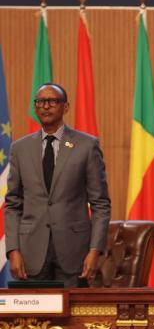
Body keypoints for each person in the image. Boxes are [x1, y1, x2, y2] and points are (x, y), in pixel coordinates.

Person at [5, 83, 111, 288]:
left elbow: (101, 204)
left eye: (52, 101)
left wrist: (95, 251)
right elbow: (13, 204)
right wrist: (13, 250)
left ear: (66, 107)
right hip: (31, 254)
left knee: (71, 309)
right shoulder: (20, 148)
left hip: (74, 253)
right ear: (35, 107)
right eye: (40, 102)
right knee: (33, 309)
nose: (46, 106)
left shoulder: (87, 146)